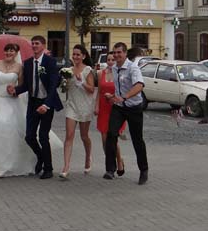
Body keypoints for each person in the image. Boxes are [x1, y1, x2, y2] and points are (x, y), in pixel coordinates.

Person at [0, 43, 62, 176]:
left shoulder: (20, 67)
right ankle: (0, 163)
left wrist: (15, 90)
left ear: (16, 53)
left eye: (12, 51)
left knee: (14, 133)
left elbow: (23, 85)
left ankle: (20, 162)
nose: (9, 53)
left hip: (11, 102)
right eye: (7, 50)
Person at [11, 36, 63, 179]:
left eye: (37, 43)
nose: (34, 46)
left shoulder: (50, 62)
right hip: (33, 103)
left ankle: (48, 168)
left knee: (43, 136)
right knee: (29, 136)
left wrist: (46, 104)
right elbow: (27, 85)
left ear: (43, 46)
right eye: (32, 43)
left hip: (46, 102)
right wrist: (15, 90)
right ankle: (40, 157)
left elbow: (53, 85)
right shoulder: (28, 63)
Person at [102, 42, 149, 184]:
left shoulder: (133, 68)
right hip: (119, 107)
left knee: (137, 139)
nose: (116, 55)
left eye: (119, 52)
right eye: (114, 52)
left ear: (125, 53)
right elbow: (119, 87)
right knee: (111, 134)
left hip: (134, 107)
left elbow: (139, 85)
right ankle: (110, 169)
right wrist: (113, 96)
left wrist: (124, 97)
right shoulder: (114, 68)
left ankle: (144, 170)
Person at [59, 44, 96, 179]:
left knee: (84, 136)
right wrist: (64, 83)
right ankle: (66, 166)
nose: (75, 57)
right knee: (69, 136)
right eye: (74, 54)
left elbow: (91, 89)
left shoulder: (87, 70)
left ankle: (88, 157)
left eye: (78, 55)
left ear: (83, 56)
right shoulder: (68, 70)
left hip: (85, 106)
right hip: (72, 105)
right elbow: (65, 89)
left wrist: (82, 83)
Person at [95, 53, 125, 176]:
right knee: (104, 139)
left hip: (115, 108)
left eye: (113, 59)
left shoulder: (120, 73)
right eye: (108, 59)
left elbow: (123, 91)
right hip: (103, 107)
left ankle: (119, 161)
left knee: (113, 139)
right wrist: (96, 106)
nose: (111, 61)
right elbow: (99, 92)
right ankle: (110, 163)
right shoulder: (100, 73)